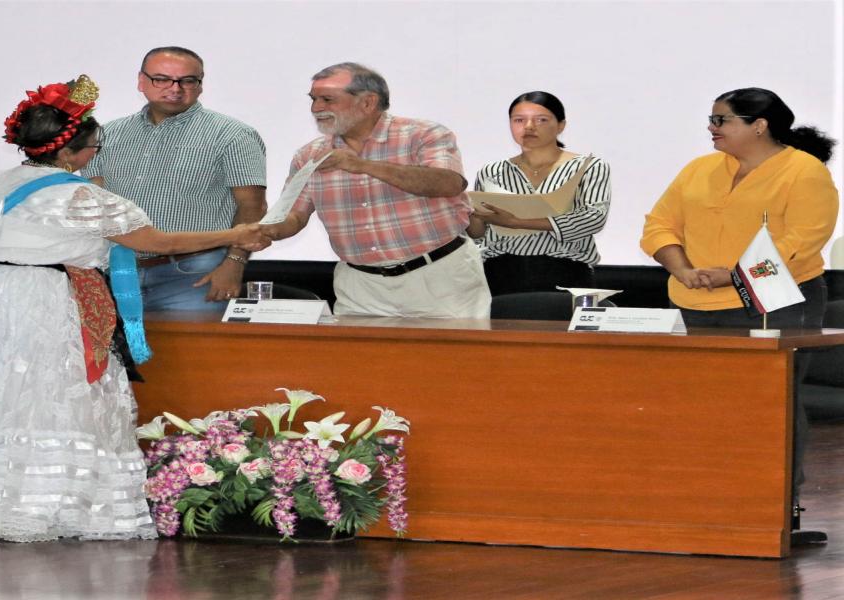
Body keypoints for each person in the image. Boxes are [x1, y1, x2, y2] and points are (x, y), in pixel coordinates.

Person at [0, 75, 269, 542]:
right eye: (92, 147)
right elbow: (155, 242)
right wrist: (234, 235)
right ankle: (47, 508)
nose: (94, 154)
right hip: (43, 304)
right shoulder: (80, 195)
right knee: (50, 399)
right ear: (69, 152)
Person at [640, 87, 839, 512]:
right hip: (696, 301)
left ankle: (780, 505)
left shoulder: (804, 171)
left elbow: (800, 244)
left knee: (772, 400)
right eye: (711, 121)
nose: (711, 129)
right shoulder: (700, 169)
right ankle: (713, 494)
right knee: (705, 403)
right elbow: (659, 225)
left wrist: (733, 277)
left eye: (721, 120)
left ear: (759, 126)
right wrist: (681, 269)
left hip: (779, 301)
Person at [260, 62, 490, 318]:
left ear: (368, 102)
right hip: (360, 286)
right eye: (313, 99)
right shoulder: (309, 155)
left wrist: (362, 165)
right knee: (359, 359)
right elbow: (294, 216)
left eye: (327, 99)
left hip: (440, 278)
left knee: (454, 358)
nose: (316, 108)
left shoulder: (423, 135)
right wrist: (269, 229)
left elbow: (449, 183)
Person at [84, 47, 267, 311]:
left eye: (188, 81)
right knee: (118, 354)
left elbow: (253, 206)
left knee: (195, 354)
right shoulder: (106, 135)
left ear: (200, 85)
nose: (175, 88)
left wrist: (235, 264)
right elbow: (95, 204)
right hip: (118, 275)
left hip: (195, 273)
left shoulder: (233, 135)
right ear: (141, 81)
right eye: (161, 79)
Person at [467, 91, 611, 294]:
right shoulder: (491, 171)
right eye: (519, 120)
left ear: (561, 125)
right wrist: (469, 213)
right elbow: (479, 235)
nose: (528, 127)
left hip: (565, 272)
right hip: (499, 273)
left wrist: (516, 222)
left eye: (541, 120)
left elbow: (593, 218)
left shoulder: (588, 166)